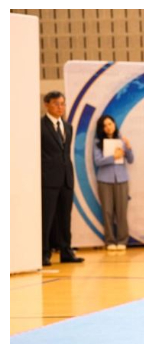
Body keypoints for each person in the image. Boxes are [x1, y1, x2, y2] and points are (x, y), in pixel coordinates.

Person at [41, 91, 84, 266]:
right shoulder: (40, 126)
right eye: (56, 104)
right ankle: (44, 253)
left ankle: (66, 251)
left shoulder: (68, 127)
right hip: (48, 179)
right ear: (46, 104)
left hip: (66, 178)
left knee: (65, 218)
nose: (60, 107)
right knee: (47, 218)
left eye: (63, 104)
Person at [93, 115, 134, 251]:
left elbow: (131, 160)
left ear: (114, 124)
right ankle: (110, 241)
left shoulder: (121, 140)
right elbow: (98, 161)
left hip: (121, 179)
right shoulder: (98, 143)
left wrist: (128, 147)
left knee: (122, 211)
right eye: (104, 125)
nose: (108, 127)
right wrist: (112, 157)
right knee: (107, 211)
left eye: (110, 124)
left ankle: (122, 240)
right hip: (104, 180)